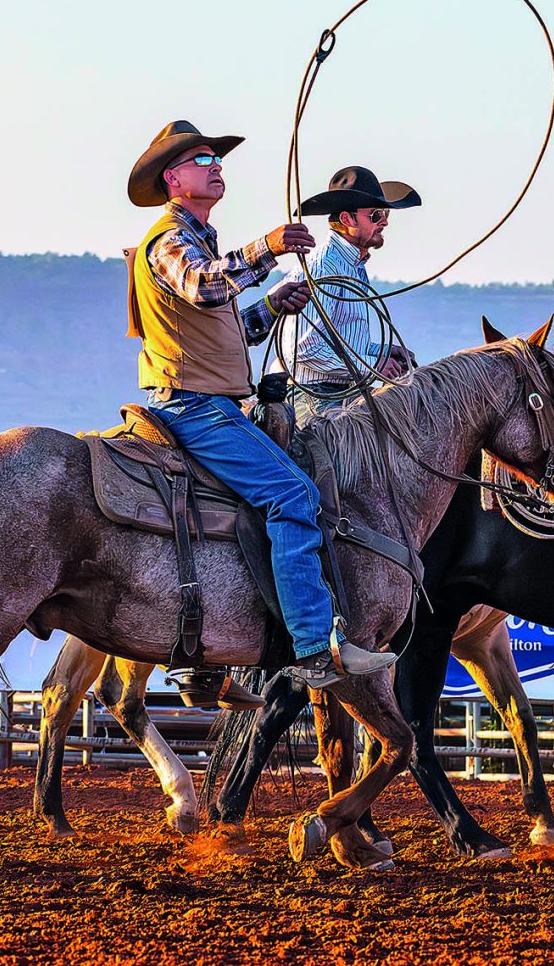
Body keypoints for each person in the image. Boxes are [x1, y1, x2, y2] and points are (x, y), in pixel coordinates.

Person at [126, 120, 398, 693]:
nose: (215, 167)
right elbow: (203, 287)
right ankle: (312, 646)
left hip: (209, 399)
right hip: (194, 405)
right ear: (173, 179)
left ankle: (215, 650)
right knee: (294, 494)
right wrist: (267, 249)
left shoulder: (200, 239)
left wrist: (272, 307)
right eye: (202, 161)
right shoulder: (169, 240)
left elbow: (229, 326)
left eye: (216, 160)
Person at [290, 166, 420, 424]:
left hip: (344, 390)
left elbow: (343, 343)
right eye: (375, 215)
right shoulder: (324, 266)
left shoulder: (352, 266)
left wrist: (383, 351)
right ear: (348, 220)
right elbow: (304, 348)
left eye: (384, 214)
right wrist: (373, 366)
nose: (384, 221)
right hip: (314, 396)